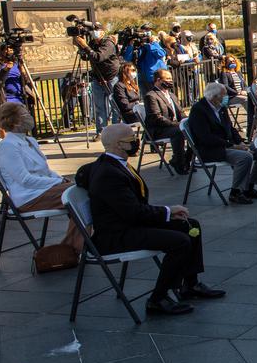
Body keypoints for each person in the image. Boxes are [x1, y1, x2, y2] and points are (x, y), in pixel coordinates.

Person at [75, 124, 223, 315]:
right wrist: (168, 211)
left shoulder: (113, 163)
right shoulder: (108, 174)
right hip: (116, 236)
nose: (136, 142)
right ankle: (158, 299)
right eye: (131, 140)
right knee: (179, 242)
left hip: (128, 223)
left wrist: (168, 214)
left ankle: (190, 284)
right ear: (118, 145)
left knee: (190, 225)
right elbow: (133, 213)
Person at [0, 102, 83, 269]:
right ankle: (75, 247)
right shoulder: (7, 146)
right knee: (79, 194)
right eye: (24, 113)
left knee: (81, 192)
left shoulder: (30, 141)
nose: (29, 115)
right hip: (29, 197)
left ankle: (71, 248)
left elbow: (46, 171)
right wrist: (58, 182)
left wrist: (61, 179)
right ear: (15, 121)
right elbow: (24, 180)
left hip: (43, 190)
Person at [188, 82, 257, 205]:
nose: (226, 97)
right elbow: (205, 137)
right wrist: (232, 146)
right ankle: (235, 192)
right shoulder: (199, 110)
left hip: (227, 144)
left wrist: (240, 141)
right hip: (211, 149)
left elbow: (230, 128)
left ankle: (248, 187)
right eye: (223, 95)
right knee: (245, 157)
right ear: (214, 97)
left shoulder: (221, 107)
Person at [75, 27, 122, 135]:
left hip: (111, 78)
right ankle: (102, 132)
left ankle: (116, 131)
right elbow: (87, 57)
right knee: (99, 107)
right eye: (93, 29)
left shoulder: (108, 43)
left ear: (103, 32)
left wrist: (85, 46)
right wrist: (81, 46)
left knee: (115, 105)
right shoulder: (92, 43)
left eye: (97, 29)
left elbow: (98, 57)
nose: (94, 32)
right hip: (97, 78)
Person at [143, 68, 189, 173]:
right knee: (179, 132)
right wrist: (177, 124)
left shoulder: (172, 95)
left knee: (193, 128)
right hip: (159, 129)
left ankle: (185, 158)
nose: (170, 81)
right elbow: (156, 118)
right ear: (158, 80)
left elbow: (180, 112)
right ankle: (180, 163)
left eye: (171, 78)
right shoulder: (151, 96)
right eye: (167, 78)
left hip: (173, 126)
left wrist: (187, 121)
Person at [123, 31, 169, 95]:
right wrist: (131, 45)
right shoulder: (139, 47)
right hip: (143, 77)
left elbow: (161, 54)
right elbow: (127, 59)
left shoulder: (152, 46)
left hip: (156, 78)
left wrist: (153, 43)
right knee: (147, 99)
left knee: (161, 99)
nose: (143, 40)